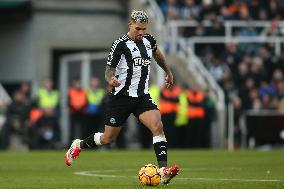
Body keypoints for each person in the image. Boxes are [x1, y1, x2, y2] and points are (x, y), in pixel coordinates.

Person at [64, 10, 179, 185]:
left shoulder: (149, 41)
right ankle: (78, 145)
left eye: (144, 29)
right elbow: (109, 69)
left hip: (142, 96)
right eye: (138, 28)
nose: (141, 33)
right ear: (130, 24)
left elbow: (157, 54)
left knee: (157, 126)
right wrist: (111, 79)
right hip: (121, 98)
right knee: (108, 139)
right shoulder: (120, 44)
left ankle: (163, 171)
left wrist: (168, 71)